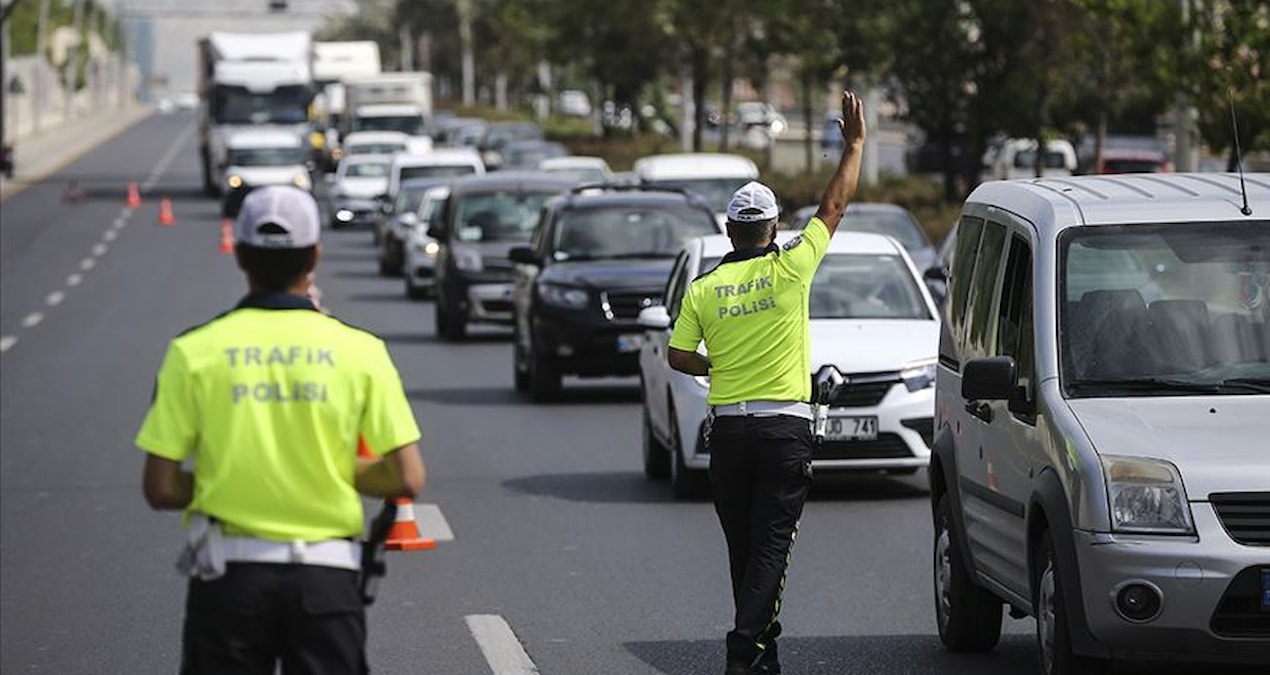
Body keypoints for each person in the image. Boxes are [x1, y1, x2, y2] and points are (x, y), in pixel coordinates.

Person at [136, 185, 426, 674]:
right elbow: (406, 477)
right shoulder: (361, 351)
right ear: (314, 255)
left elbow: (161, 487)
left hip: (228, 581)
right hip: (326, 582)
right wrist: (326, 470)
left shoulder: (193, 352)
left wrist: (230, 477)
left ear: (240, 254)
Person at [666, 90, 866, 675]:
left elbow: (678, 357)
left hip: (728, 435)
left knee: (744, 550)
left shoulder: (703, 288)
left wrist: (716, 367)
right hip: (784, 431)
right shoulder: (791, 268)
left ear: (729, 231)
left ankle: (761, 656)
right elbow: (833, 206)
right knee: (771, 551)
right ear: (774, 227)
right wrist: (853, 144)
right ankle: (742, 649)